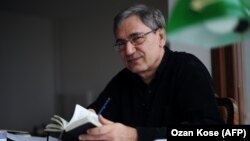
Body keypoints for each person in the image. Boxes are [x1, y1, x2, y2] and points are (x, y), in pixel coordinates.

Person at [79, 4, 224, 141]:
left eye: (137, 38)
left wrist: (135, 135)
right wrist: (87, 121)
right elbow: (96, 115)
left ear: (160, 37)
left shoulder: (188, 68)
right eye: (121, 43)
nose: (129, 51)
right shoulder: (122, 80)